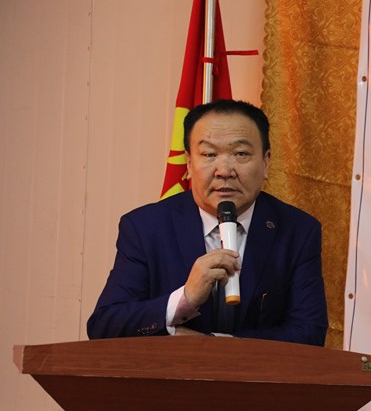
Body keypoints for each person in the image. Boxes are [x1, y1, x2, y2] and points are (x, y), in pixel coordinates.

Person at [87, 99, 328, 345]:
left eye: (241, 154)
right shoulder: (145, 228)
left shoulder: (298, 231)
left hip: (255, 371)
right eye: (209, 154)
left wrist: (213, 344)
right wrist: (185, 298)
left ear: (266, 162)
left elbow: (309, 333)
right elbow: (105, 325)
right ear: (189, 163)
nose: (224, 170)